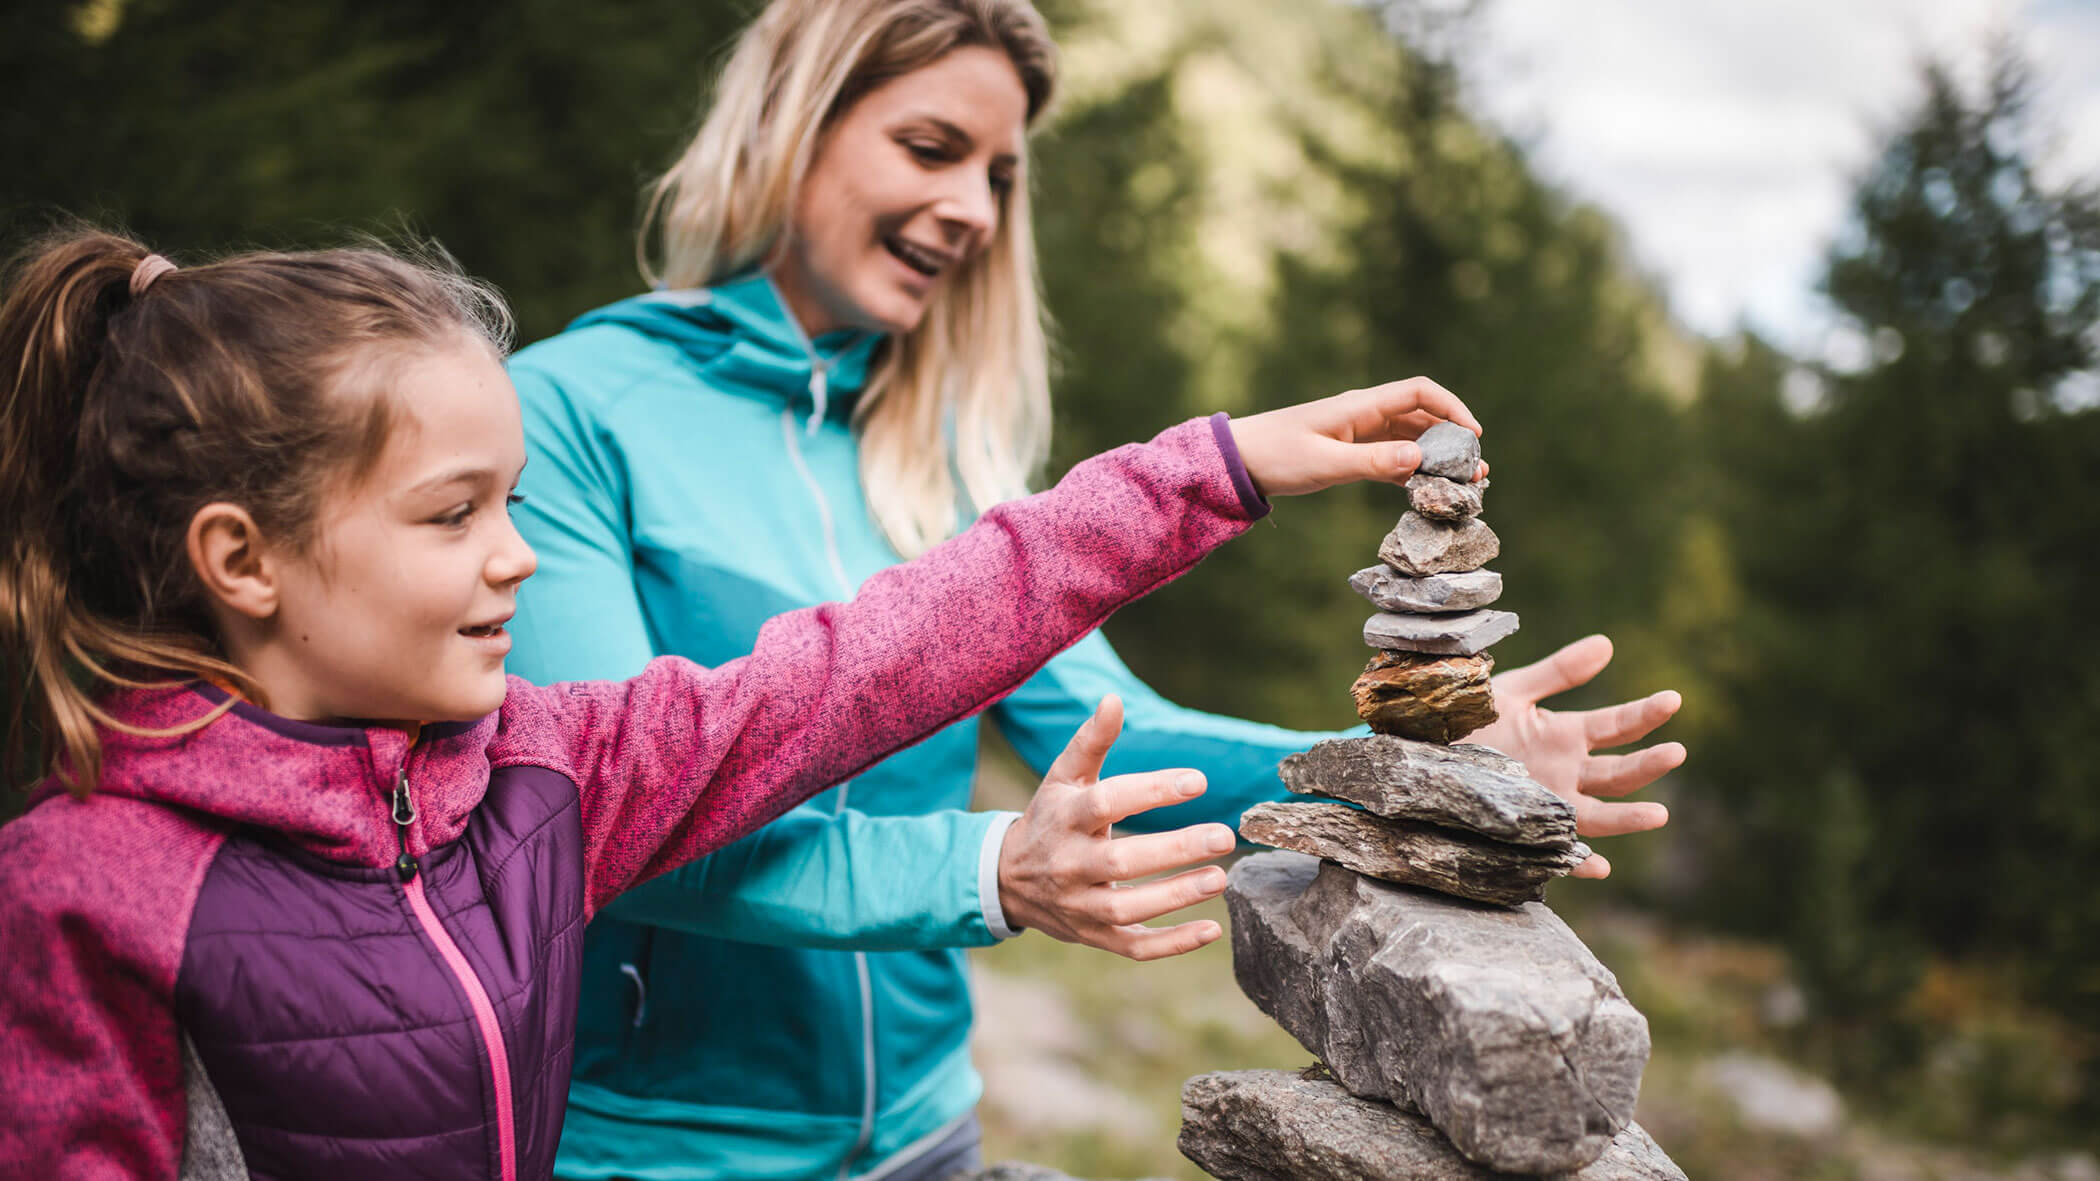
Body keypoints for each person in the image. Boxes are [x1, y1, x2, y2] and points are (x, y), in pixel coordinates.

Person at [0, 227, 1477, 1178]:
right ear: (241, 560)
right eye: (453, 515)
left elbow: (865, 662)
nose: (516, 555)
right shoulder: (77, 891)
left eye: (512, 502)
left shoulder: (541, 773)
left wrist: (1206, 473)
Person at [506, 1, 1683, 1178]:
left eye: (998, 176)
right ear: (785, 125)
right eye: (930, 147)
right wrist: (985, 869)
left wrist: (1414, 772)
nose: (975, 210)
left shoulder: (941, 448)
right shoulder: (567, 415)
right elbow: (610, 814)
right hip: (660, 1152)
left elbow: (1119, 736)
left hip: (928, 1135)